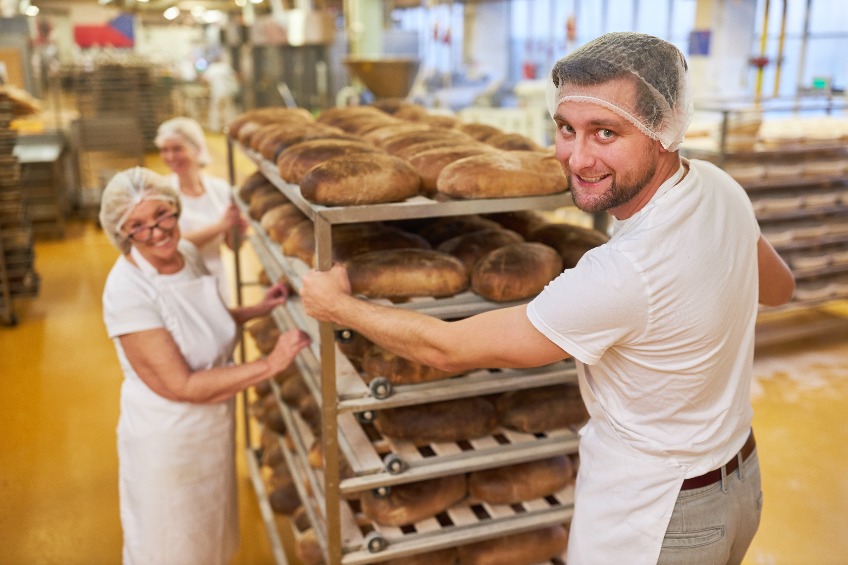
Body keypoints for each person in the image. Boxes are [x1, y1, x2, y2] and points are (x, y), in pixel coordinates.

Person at [300, 32, 795, 565]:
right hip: (738, 481)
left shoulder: (620, 274)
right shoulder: (718, 188)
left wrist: (337, 307)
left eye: (606, 132)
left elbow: (447, 349)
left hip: (658, 516)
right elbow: (778, 287)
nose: (577, 158)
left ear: (663, 131)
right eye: (566, 128)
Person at [99, 167, 310, 564]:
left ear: (175, 208)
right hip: (169, 440)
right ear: (122, 234)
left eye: (163, 214)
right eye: (138, 226)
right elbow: (183, 385)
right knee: (172, 546)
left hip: (212, 428)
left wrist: (256, 309)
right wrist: (272, 363)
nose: (157, 231)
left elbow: (201, 322)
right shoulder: (128, 291)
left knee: (210, 537)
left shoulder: (188, 255)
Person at [155, 116, 246, 302]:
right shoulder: (160, 193)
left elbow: (232, 246)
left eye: (177, 149)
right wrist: (221, 226)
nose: (170, 157)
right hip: (179, 285)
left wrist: (239, 231)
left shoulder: (220, 189)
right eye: (164, 150)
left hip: (216, 280)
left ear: (197, 150)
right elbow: (173, 245)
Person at [203, 53, 239, 132]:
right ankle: (229, 127)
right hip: (227, 92)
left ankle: (215, 128)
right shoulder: (226, 67)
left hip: (217, 93)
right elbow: (235, 77)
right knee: (228, 110)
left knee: (216, 110)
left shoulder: (212, 68)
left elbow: (205, 80)